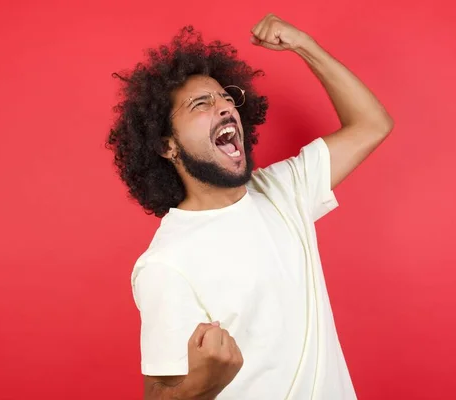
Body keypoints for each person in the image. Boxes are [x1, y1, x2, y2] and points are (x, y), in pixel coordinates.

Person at [107, 13, 393, 400]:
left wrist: (303, 44)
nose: (225, 107)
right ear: (166, 145)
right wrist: (202, 385)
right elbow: (158, 394)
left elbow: (372, 124)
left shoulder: (283, 188)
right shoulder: (167, 263)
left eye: (227, 97)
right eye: (200, 104)